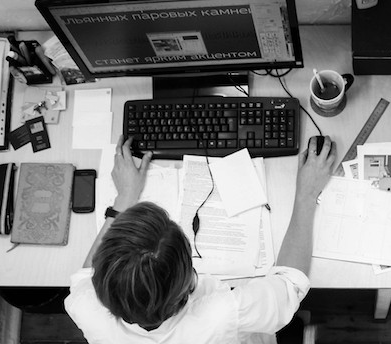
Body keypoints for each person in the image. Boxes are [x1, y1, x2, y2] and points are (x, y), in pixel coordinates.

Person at [64, 135, 336, 343]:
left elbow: (83, 276)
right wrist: (307, 194)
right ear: (188, 279)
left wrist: (122, 200)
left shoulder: (87, 309)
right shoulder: (220, 312)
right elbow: (290, 286)